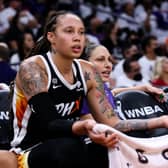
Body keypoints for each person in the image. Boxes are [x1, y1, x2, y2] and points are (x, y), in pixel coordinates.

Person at [1, 10, 168, 168]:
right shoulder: (33, 68)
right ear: (51, 37)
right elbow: (50, 124)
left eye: (81, 32)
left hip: (69, 142)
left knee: (107, 144)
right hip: (29, 150)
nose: (77, 38)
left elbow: (113, 123)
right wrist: (85, 126)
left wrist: (160, 121)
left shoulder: (88, 70)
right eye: (69, 31)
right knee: (70, 147)